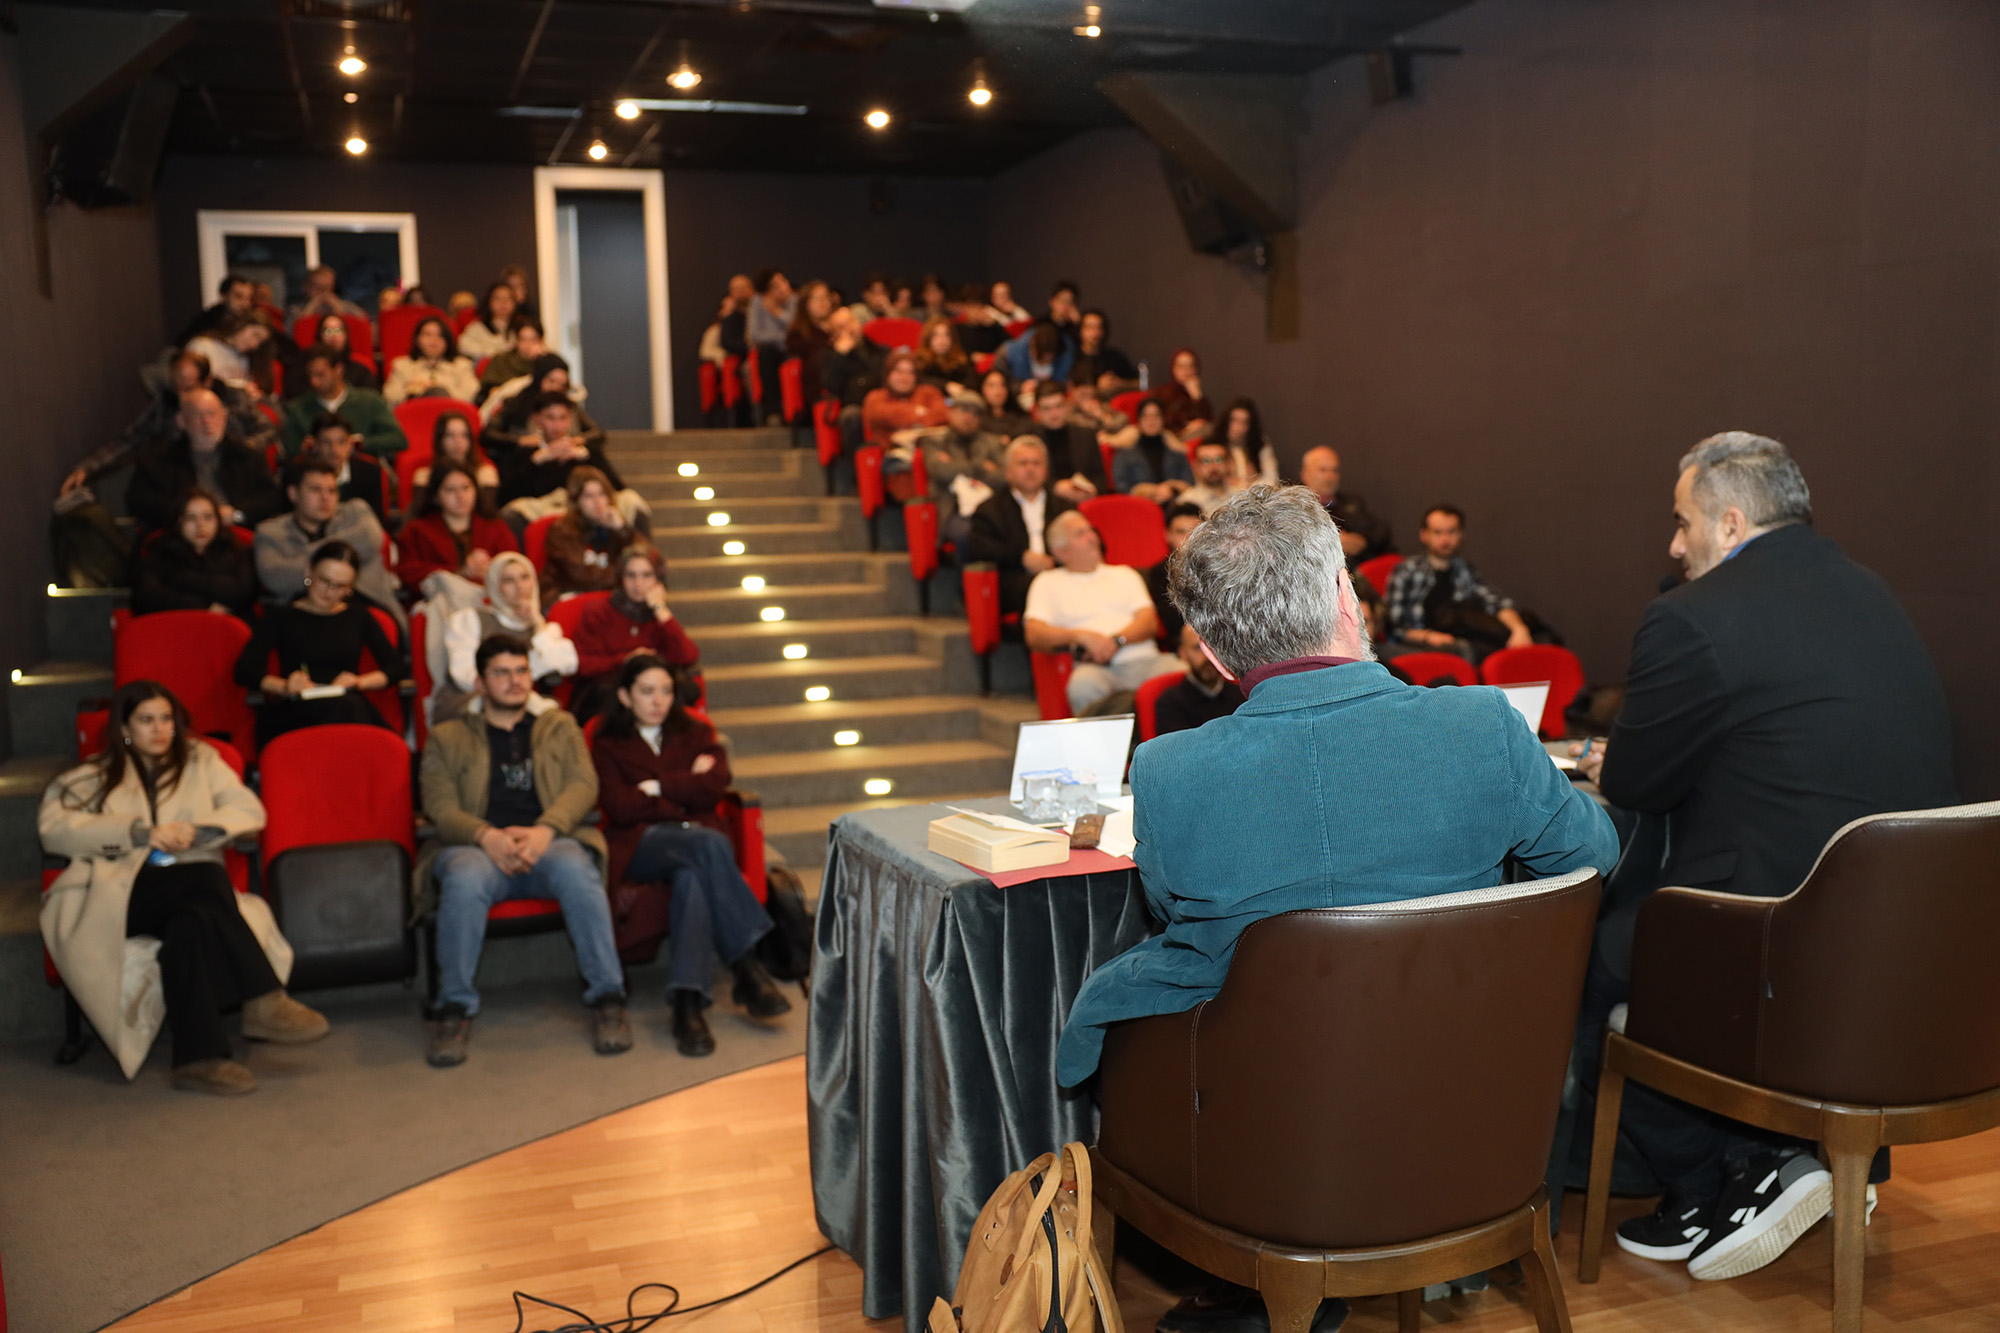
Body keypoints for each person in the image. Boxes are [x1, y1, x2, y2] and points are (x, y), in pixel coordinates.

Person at [1572, 432, 1957, 1280]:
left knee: (1593, 968)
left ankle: (1726, 1180)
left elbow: (1636, 778)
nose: (1673, 545)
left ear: (1731, 524)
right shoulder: (1871, 591)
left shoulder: (1693, 615)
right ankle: (1794, 1159)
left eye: (1682, 522)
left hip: (1779, 935)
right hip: (1904, 944)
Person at [39, 681, 328, 1093]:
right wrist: (138, 834)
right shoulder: (90, 777)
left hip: (185, 890)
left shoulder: (201, 762)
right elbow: (54, 830)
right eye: (146, 720)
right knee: (207, 878)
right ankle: (263, 997)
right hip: (118, 896)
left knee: (189, 925)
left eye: (166, 719)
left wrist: (200, 831)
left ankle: (197, 1059)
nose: (159, 729)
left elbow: (249, 810)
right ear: (124, 728)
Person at [418, 634, 631, 1067]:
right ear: (479, 683)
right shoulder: (447, 736)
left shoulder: (559, 726)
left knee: (577, 869)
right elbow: (439, 806)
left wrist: (545, 830)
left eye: (521, 671)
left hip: (546, 843)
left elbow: (583, 784)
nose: (514, 681)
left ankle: (608, 997)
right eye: (501, 673)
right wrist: (486, 836)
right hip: (477, 848)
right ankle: (454, 1007)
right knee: (464, 877)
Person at [589, 653, 791, 1056]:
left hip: (692, 838)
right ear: (626, 696)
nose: (658, 701)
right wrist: (685, 790)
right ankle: (747, 965)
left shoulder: (695, 731)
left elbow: (715, 784)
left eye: (666, 691)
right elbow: (621, 808)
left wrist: (655, 788)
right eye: (647, 691)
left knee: (692, 879)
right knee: (710, 844)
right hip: (643, 844)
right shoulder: (607, 742)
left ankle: (687, 1005)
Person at [235, 537, 406, 745]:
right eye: (324, 580)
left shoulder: (359, 616)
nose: (329, 591)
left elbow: (396, 666)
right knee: (351, 715)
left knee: (350, 710)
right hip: (296, 707)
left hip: (346, 702)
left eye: (340, 586)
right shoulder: (280, 616)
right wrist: (285, 685)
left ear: (351, 586)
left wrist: (359, 681)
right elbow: (245, 669)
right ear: (309, 572)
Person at [1024, 510, 1183, 715]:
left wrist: (1116, 641)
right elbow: (1034, 633)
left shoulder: (1124, 574)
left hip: (1145, 661)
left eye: (1091, 530)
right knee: (1083, 686)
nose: (1092, 537)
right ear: (1061, 551)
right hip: (1096, 669)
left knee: (1183, 674)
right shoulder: (1047, 582)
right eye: (1080, 534)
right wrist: (1082, 637)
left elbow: (1149, 622)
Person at [254, 456, 405, 630]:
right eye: (315, 490)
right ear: (293, 493)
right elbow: (275, 578)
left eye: (332, 491)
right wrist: (337, 556)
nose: (325, 497)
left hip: (366, 604)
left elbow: (371, 540)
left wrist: (309, 565)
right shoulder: (270, 532)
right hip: (299, 617)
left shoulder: (355, 511)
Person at [433, 552, 577, 725]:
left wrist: (537, 622)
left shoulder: (539, 626)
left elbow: (568, 663)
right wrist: (521, 677)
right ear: (494, 586)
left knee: (557, 722)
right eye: (508, 580)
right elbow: (466, 677)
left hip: (518, 701)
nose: (520, 587)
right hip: (467, 703)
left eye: (525, 577)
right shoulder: (471, 619)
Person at [125, 388, 285, 535]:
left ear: (224, 417)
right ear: (181, 421)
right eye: (198, 416)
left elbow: (271, 498)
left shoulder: (247, 456)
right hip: (177, 540)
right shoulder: (158, 459)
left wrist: (236, 513)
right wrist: (187, 515)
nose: (207, 422)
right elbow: (139, 502)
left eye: (212, 414)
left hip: (236, 536)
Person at [1382, 505, 1533, 661]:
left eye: (1451, 532)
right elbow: (1393, 626)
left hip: (1460, 638)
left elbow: (1497, 602)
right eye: (1437, 532)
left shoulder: (1464, 569)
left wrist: (1519, 629)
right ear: (1424, 535)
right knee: (1465, 650)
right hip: (1417, 645)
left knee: (1526, 641)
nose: (1445, 540)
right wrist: (1428, 636)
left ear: (1461, 534)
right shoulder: (1407, 570)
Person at [569, 544, 700, 720]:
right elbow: (582, 665)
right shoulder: (598, 611)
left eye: (646, 575)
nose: (638, 584)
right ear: (621, 578)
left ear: (658, 580)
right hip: (608, 688)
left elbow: (688, 656)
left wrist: (660, 609)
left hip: (652, 687)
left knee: (686, 689)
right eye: (631, 575)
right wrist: (626, 659)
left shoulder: (658, 615)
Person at [966, 438, 1077, 619]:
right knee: (1040, 588)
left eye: (1036, 463)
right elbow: (980, 548)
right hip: (1016, 581)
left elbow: (1087, 540)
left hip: (1061, 574)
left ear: (1046, 471)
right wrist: (1021, 557)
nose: (1030, 469)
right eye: (1023, 463)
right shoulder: (989, 509)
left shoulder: (1064, 507)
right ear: (1008, 472)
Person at [396, 460, 518, 599]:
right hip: (438, 601)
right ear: (436, 496)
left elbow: (514, 564)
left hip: (490, 600)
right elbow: (407, 573)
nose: (460, 496)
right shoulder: (417, 531)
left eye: (466, 488)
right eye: (450, 490)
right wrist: (460, 572)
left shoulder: (496, 527)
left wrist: (491, 570)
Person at [132, 488, 258, 620]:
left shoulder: (237, 550)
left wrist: (183, 579)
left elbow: (242, 592)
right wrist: (204, 608)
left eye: (208, 517)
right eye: (191, 518)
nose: (200, 525)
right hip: (176, 624)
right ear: (179, 521)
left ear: (218, 521)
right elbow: (148, 595)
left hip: (232, 624)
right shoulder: (160, 552)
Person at [487, 391, 622, 506]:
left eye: (563, 418)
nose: (557, 425)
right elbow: (505, 499)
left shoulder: (586, 453)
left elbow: (617, 488)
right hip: (539, 513)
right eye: (550, 418)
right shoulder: (524, 452)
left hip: (580, 513)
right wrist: (536, 461)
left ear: (570, 419)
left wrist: (584, 457)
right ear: (536, 419)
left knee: (628, 499)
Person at [281, 345, 408, 460]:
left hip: (361, 471)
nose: (314, 382)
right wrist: (305, 448)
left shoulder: (369, 401)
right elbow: (289, 449)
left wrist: (362, 443)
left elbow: (398, 439)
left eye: (320, 375)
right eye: (310, 375)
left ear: (338, 369)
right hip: (315, 472)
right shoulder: (298, 407)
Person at [540, 466, 642, 604]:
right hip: (567, 595)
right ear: (576, 501)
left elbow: (645, 559)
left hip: (606, 596)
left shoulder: (614, 526)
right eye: (588, 496)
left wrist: (621, 529)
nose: (597, 502)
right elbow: (581, 575)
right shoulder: (561, 530)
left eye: (602, 494)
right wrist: (627, 577)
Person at [1298, 446, 1394, 562]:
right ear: (1305, 474)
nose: (1330, 476)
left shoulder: (1352, 504)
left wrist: (1362, 541)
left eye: (1334, 470)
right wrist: (1333, 543)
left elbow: (1380, 532)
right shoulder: (1295, 507)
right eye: (1323, 470)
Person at [1153, 625, 1244, 735]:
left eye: (1212, 646)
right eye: (1198, 648)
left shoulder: (1242, 695)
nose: (1207, 655)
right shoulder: (1170, 702)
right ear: (1183, 654)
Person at [303, 411, 391, 525]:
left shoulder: (370, 473)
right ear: (315, 445)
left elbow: (377, 522)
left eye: (341, 442)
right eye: (326, 442)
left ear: (350, 444)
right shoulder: (301, 474)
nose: (334, 450)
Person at [406, 410, 499, 515]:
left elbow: (488, 514)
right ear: (440, 440)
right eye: (450, 435)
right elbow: (418, 514)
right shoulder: (425, 475)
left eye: (464, 435)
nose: (458, 441)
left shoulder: (485, 473)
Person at [1027, 382, 1106, 500]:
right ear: (1037, 412)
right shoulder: (1029, 441)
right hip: (1045, 501)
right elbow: (1024, 480)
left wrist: (1092, 489)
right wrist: (1054, 487)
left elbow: (1101, 481)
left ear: (1067, 406)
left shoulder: (1086, 435)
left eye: (1058, 406)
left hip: (1083, 500)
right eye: (1046, 409)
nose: (1054, 414)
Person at [383, 316, 479, 405]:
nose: (434, 340)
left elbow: (471, 395)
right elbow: (390, 397)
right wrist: (411, 389)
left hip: (450, 411)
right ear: (417, 339)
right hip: (414, 412)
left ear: (448, 340)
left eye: (440, 335)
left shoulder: (462, 365)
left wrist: (435, 387)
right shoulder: (402, 365)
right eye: (428, 335)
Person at [1111, 399, 1193, 502]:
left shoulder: (1175, 450)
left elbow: (1189, 482)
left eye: (1156, 416)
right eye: (1145, 416)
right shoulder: (1125, 453)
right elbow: (1120, 487)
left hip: (1175, 502)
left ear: (1163, 419)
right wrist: (1151, 491)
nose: (1151, 420)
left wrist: (1171, 488)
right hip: (1140, 504)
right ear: (1138, 420)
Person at [1147, 502, 1203, 649]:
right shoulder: (1160, 573)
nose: (1188, 538)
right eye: (1180, 532)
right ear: (1168, 535)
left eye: (1194, 531)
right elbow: (1171, 621)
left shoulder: (1219, 566)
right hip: (1183, 642)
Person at [860, 352, 947, 446]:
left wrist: (911, 429)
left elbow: (942, 416)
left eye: (910, 372)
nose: (904, 377)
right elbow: (879, 415)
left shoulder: (929, 393)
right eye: (899, 371)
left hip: (929, 447)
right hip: (890, 450)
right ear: (888, 374)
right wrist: (916, 411)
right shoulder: (875, 397)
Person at [747, 267, 795, 421]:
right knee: (766, 355)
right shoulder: (757, 302)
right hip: (771, 351)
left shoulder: (796, 300)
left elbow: (796, 330)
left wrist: (777, 312)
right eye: (775, 286)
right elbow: (755, 335)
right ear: (767, 291)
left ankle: (795, 413)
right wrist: (782, 337)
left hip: (793, 349)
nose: (782, 288)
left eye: (783, 282)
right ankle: (773, 412)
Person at [184, 313, 271, 395]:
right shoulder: (202, 347)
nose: (254, 344)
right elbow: (191, 386)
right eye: (255, 335)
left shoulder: (245, 360)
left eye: (260, 343)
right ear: (241, 324)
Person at [785, 279, 835, 406]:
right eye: (816, 299)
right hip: (816, 388)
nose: (822, 302)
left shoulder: (840, 326)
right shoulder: (798, 333)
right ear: (805, 304)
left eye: (826, 297)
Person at [1071, 309, 1139, 396]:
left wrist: (1119, 383)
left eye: (1099, 327)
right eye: (1090, 327)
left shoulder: (1114, 357)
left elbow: (1141, 383)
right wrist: (1098, 388)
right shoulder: (1070, 357)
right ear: (1080, 330)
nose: (1095, 332)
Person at [477, 318, 546, 402]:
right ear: (516, 341)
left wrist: (541, 359)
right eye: (523, 339)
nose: (528, 345)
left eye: (533, 340)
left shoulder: (547, 363)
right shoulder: (501, 360)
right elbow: (484, 394)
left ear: (541, 341)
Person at [176, 274, 255, 345]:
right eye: (238, 296)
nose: (245, 303)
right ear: (224, 297)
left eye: (249, 298)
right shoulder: (206, 322)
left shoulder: (252, 322)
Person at [1154, 347, 1213, 440]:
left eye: (1190, 366)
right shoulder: (1162, 393)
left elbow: (1208, 420)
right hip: (1172, 439)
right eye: (1181, 366)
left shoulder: (1196, 395)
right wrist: (1185, 429)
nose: (1186, 370)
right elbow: (1162, 423)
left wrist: (1196, 397)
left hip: (1196, 436)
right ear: (1173, 369)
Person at [1219, 397, 1280, 487]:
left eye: (1244, 422)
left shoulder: (1259, 445)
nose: (1238, 427)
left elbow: (1272, 477)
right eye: (1234, 420)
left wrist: (1252, 484)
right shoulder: (1213, 445)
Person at [456, 280, 520, 362]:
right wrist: (491, 351)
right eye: (498, 298)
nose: (503, 303)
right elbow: (463, 346)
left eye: (508, 298)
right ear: (490, 302)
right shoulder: (477, 328)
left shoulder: (522, 328)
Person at [1002, 319, 1075, 390]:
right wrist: (1020, 386)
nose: (1043, 363)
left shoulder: (1066, 355)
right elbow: (1000, 382)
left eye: (1048, 360)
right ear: (1032, 344)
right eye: (1040, 358)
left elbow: (1067, 383)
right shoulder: (1010, 352)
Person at [312, 313, 378, 390]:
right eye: (328, 331)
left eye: (338, 330)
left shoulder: (361, 371)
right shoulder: (311, 370)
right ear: (320, 336)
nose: (333, 336)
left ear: (346, 335)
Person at [1179, 439, 1244, 516]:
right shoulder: (1187, 501)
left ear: (1229, 463)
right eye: (1206, 461)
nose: (1213, 466)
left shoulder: (1240, 498)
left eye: (1219, 460)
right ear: (1195, 466)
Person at [913, 316, 974, 395]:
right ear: (928, 338)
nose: (942, 339)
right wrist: (946, 386)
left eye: (947, 335)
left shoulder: (962, 359)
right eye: (936, 335)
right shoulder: (919, 361)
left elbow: (972, 382)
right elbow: (919, 380)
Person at [289, 264, 364, 320]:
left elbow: (364, 324)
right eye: (318, 288)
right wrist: (311, 308)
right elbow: (292, 330)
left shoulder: (347, 307)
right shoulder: (295, 310)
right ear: (305, 287)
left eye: (327, 288)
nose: (323, 293)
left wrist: (338, 310)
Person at [975, 365, 1030, 439]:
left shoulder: (1020, 417)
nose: (998, 391)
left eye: (1002, 385)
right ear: (982, 389)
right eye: (991, 385)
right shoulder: (976, 419)